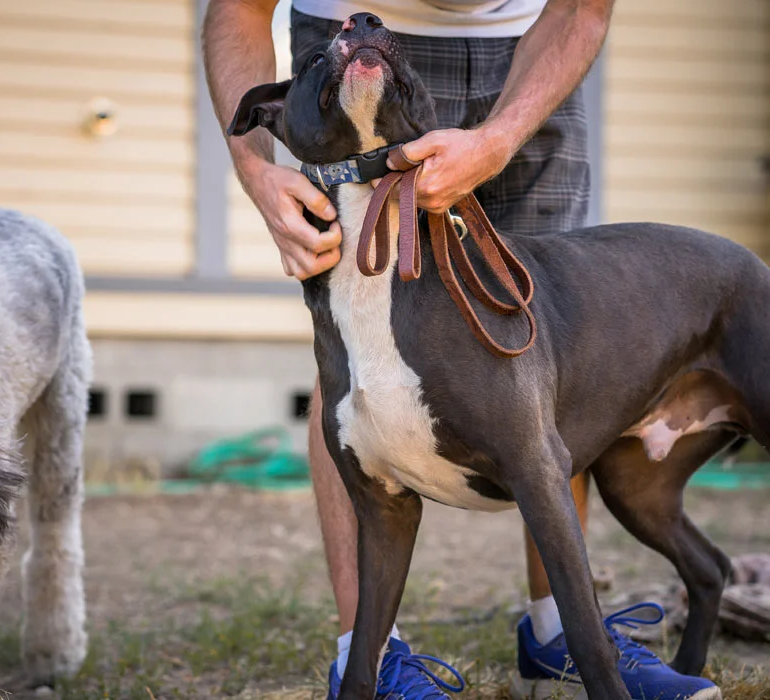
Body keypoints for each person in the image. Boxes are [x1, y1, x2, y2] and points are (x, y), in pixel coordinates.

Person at [202, 2, 719, 699]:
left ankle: (560, 633)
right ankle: (371, 655)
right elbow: (237, 10)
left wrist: (501, 137)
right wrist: (256, 172)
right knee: (359, 360)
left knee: (544, 345)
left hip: (533, 45)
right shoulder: (350, 48)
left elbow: (582, 9)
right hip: (358, 47)